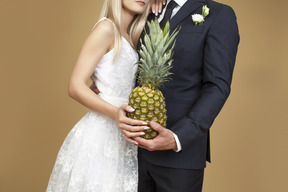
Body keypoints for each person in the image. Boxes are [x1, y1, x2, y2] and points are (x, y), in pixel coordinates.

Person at [115, 0, 240, 191]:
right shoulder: (146, 8)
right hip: (131, 151)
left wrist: (178, 136)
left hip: (180, 157)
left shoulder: (219, 14)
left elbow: (217, 86)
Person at [46, 0, 152, 191]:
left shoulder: (132, 35)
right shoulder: (106, 28)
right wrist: (114, 113)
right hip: (102, 133)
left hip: (124, 134)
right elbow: (75, 86)